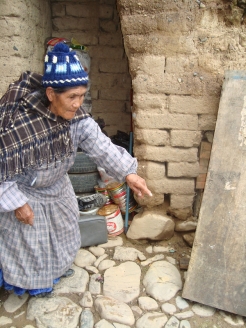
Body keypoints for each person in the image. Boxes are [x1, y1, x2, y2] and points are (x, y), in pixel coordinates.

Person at [0, 43, 152, 297]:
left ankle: (55, 272)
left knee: (63, 234)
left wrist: (129, 173)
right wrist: (17, 203)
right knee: (30, 245)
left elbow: (101, 145)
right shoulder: (19, 123)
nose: (77, 104)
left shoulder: (77, 119)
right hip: (26, 193)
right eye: (72, 96)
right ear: (51, 93)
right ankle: (31, 285)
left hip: (58, 188)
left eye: (82, 95)